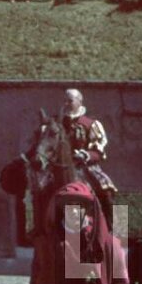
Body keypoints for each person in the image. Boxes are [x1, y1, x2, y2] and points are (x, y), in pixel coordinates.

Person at [60, 88, 118, 225]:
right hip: (62, 167)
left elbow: (99, 150)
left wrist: (86, 155)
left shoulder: (90, 124)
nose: (67, 104)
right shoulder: (58, 124)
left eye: (70, 100)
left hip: (86, 166)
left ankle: (112, 227)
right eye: (65, 101)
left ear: (80, 102)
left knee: (107, 189)